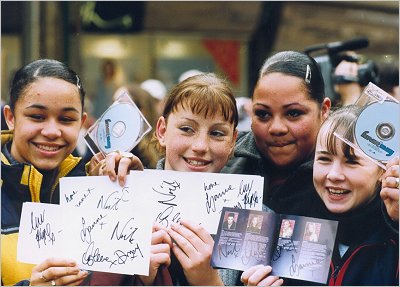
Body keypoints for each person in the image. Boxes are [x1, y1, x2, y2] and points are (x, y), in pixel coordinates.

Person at [91, 73, 281, 286]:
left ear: (233, 142)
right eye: (186, 129)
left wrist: (209, 283)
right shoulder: (122, 199)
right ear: (162, 131)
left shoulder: (258, 220)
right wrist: (142, 279)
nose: (200, 146)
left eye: (217, 133)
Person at [242, 106, 399, 286]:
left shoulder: (394, 237)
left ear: (385, 169)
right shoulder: (284, 226)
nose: (333, 174)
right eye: (324, 159)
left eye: (351, 162)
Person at [1, 59, 90, 285]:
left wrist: (130, 186)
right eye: (37, 117)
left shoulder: (94, 186)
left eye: (67, 119)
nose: (52, 131)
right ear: (11, 117)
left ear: (82, 122)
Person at [222, 50, 331, 216]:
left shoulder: (348, 177)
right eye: (263, 114)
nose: (276, 128)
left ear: (323, 110)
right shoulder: (222, 160)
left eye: (293, 113)